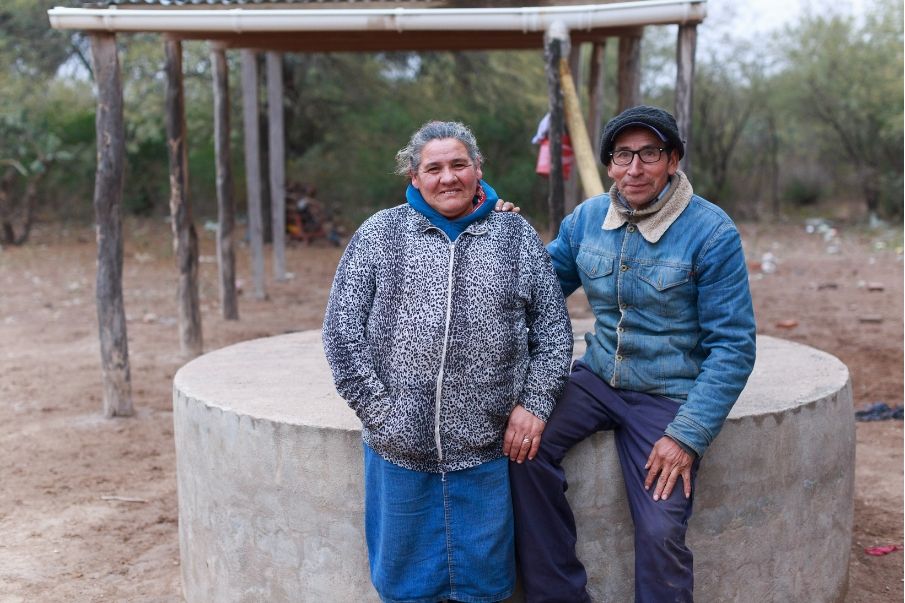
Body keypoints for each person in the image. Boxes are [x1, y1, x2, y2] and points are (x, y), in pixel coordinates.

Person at [504, 105, 757, 602]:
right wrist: (501, 236)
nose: (635, 168)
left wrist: (687, 436)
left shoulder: (712, 233)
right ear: (609, 164)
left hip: (669, 394)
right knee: (523, 453)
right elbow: (535, 289)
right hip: (597, 379)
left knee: (661, 528)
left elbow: (733, 347)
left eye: (649, 154)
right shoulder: (586, 220)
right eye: (623, 155)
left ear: (673, 160)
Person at [322, 120, 573, 603]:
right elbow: (341, 334)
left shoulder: (515, 236)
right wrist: (382, 415)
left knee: (485, 584)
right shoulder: (380, 234)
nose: (448, 177)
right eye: (433, 168)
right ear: (414, 177)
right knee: (404, 584)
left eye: (459, 165)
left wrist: (535, 404)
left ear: (478, 168)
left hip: (486, 451)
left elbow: (554, 332)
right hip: (400, 452)